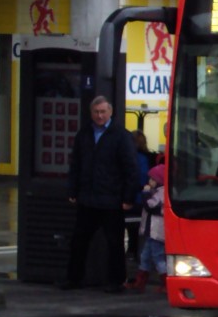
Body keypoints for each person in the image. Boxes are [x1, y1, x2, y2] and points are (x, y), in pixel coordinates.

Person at [61, 95, 141, 293]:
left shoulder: (121, 135)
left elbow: (131, 168)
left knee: (114, 242)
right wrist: (73, 190)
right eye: (96, 112)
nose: (99, 115)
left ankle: (116, 281)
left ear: (110, 112)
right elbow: (76, 164)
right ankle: (74, 279)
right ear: (91, 113)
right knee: (79, 241)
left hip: (112, 199)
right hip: (88, 197)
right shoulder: (84, 134)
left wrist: (128, 198)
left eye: (103, 111)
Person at [128, 164, 167, 293]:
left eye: (152, 179)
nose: (149, 182)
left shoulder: (162, 193)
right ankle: (140, 281)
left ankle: (166, 282)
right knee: (146, 256)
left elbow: (150, 206)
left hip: (156, 232)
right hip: (151, 232)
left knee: (158, 257)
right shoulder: (157, 192)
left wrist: (145, 193)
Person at [124, 130, 153, 262]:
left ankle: (130, 252)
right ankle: (136, 254)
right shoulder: (146, 158)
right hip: (141, 199)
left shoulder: (128, 157)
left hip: (129, 197)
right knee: (138, 229)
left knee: (128, 227)